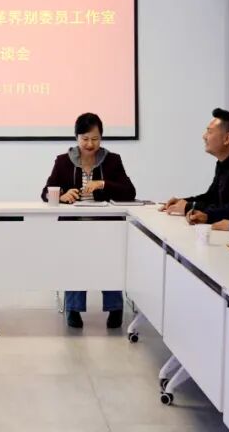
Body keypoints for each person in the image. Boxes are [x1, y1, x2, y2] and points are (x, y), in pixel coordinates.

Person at [41, 112, 136, 329]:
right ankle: (73, 309)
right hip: (73, 225)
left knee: (109, 261)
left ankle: (115, 308)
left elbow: (130, 191)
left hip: (106, 225)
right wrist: (61, 196)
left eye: (95, 139)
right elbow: (46, 192)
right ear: (77, 138)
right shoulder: (63, 161)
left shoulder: (112, 160)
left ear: (101, 138)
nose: (90, 144)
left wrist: (103, 184)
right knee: (75, 260)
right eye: (85, 139)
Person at [161, 108, 229, 216]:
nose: (204, 136)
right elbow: (211, 197)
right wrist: (183, 201)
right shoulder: (223, 163)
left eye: (209, 131)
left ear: (227, 138)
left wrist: (190, 206)